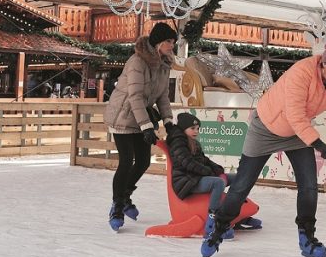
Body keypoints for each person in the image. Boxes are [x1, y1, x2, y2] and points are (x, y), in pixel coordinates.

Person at [201, 39, 326, 257]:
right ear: (325, 64)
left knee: (309, 186)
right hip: (266, 128)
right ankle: (217, 229)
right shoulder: (302, 73)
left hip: (297, 134)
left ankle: (307, 240)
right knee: (242, 185)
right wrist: (318, 143)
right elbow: (295, 114)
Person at [104, 21, 176, 231]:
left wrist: (168, 121)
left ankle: (125, 197)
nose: (172, 45)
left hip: (142, 117)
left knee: (143, 161)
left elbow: (162, 95)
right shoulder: (137, 62)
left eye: (173, 42)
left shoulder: (164, 64)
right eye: (169, 41)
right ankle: (117, 205)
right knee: (126, 160)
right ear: (158, 42)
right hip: (124, 115)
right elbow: (135, 96)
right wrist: (146, 126)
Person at [167, 112, 258, 237]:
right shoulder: (178, 143)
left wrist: (218, 170)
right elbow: (187, 163)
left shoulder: (194, 142)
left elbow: (205, 160)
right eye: (192, 128)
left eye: (198, 128)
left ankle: (234, 214)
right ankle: (213, 221)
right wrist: (211, 173)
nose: (196, 131)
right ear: (183, 128)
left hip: (196, 178)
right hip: (186, 182)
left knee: (238, 178)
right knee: (218, 182)